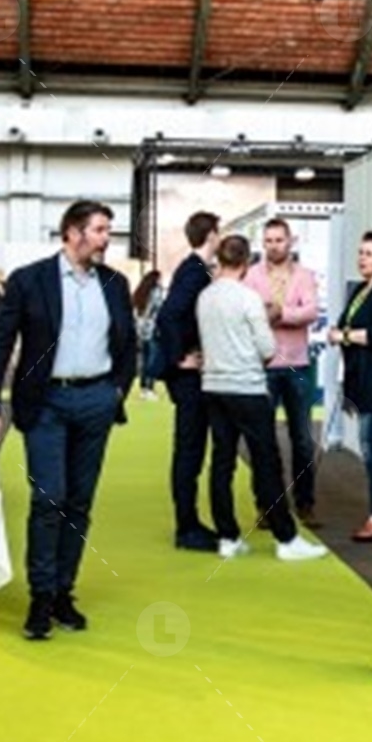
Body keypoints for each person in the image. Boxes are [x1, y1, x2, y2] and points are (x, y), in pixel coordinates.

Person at [0, 201, 137, 640]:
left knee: (79, 502)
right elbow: (0, 345)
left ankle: (64, 591)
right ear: (72, 232)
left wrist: (116, 392)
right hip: (45, 402)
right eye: (99, 230)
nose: (106, 239)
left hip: (96, 401)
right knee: (49, 498)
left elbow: (128, 344)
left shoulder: (115, 283)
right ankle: (41, 596)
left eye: (108, 230)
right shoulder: (29, 281)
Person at [198, 234, 328, 563]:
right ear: (246, 262)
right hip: (247, 387)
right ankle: (286, 537)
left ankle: (227, 536)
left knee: (222, 462)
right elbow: (268, 348)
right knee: (266, 462)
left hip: (214, 386)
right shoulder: (248, 299)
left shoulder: (206, 297)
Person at [150, 211, 222, 552]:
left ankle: (189, 522)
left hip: (188, 373)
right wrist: (180, 357)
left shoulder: (193, 269)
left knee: (191, 449)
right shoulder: (194, 271)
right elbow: (168, 315)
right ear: (212, 235)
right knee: (189, 450)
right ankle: (187, 525)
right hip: (187, 377)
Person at [243, 218, 319, 525]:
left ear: (291, 241)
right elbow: (247, 314)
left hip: (297, 364)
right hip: (263, 365)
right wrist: (272, 315)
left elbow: (311, 311)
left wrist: (280, 313)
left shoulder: (304, 275)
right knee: (263, 439)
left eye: (279, 240)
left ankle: (305, 503)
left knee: (302, 439)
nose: (274, 246)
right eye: (269, 241)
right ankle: (268, 506)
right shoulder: (251, 275)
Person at [328, 230, 372, 542]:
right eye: (360, 253)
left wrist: (344, 336)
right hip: (361, 377)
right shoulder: (361, 289)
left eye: (369, 254)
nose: (362, 259)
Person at [132, 269, 165, 400]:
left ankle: (143, 387)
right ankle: (149, 387)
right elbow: (158, 308)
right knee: (152, 359)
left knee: (144, 359)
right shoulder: (156, 292)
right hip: (152, 329)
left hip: (140, 330)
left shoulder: (140, 292)